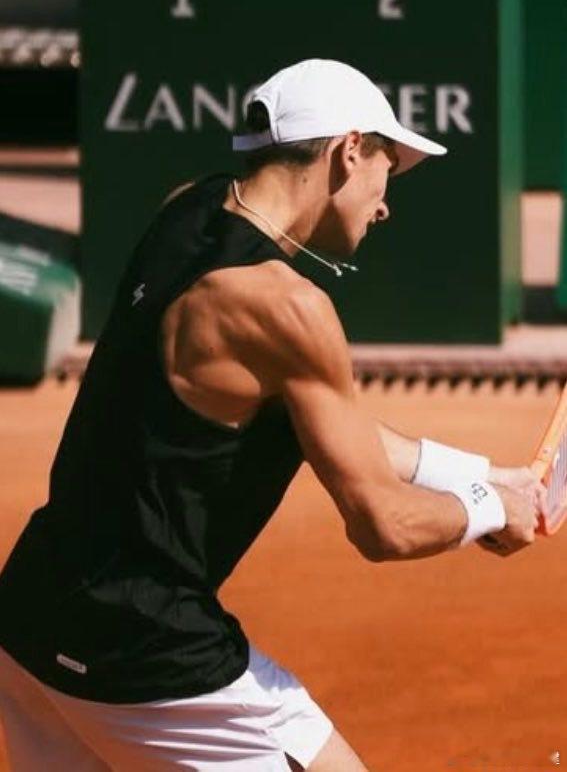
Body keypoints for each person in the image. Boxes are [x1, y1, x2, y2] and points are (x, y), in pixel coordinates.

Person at [0, 59, 541, 771]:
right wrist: (487, 510)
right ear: (349, 150)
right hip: (146, 651)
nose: (384, 205)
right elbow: (383, 525)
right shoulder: (288, 309)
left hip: (32, 616)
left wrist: (487, 475)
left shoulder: (186, 208)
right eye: (389, 166)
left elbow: (334, 431)